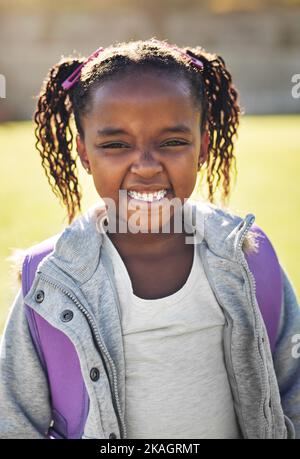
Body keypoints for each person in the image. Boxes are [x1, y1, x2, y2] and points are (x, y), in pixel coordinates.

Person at [0, 38, 299, 439]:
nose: (145, 166)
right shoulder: (50, 280)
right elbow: (15, 419)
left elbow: (291, 388)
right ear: (85, 153)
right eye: (116, 145)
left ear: (203, 146)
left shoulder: (248, 258)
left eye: (173, 142)